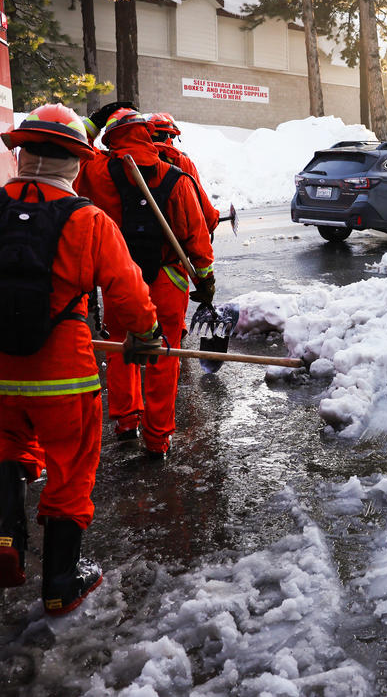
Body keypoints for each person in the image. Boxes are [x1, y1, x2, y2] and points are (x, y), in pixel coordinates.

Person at [0, 104, 162, 614]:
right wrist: (147, 334)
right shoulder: (88, 220)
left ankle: (5, 538)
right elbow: (128, 294)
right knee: (71, 470)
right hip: (63, 377)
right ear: (74, 163)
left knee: (5, 449)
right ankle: (60, 583)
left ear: (22, 154)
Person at [75, 108, 215, 457]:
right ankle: (157, 438)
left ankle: (126, 421)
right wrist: (205, 279)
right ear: (148, 135)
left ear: (111, 140)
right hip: (168, 278)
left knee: (122, 346)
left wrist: (93, 121)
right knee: (164, 355)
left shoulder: (95, 171)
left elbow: (76, 144)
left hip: (119, 279)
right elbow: (198, 235)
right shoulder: (178, 176)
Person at [147, 112, 220, 236]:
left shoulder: (128, 161)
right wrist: (212, 220)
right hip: (173, 236)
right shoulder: (180, 161)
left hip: (132, 237)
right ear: (171, 135)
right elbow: (198, 198)